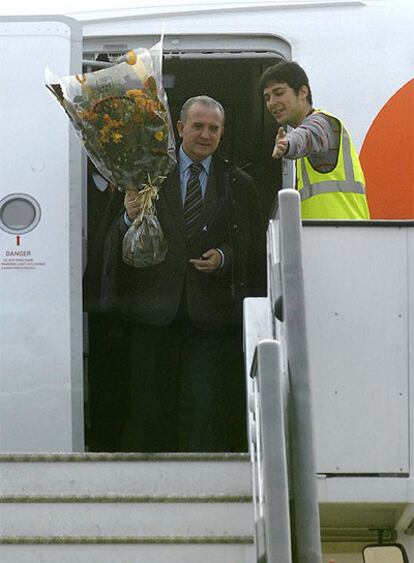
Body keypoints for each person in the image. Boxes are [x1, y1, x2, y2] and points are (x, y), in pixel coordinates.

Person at [99, 95, 266, 452]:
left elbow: (253, 248)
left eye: (214, 128)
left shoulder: (238, 182)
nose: (206, 135)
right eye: (198, 126)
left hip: (210, 317)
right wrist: (129, 216)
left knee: (203, 409)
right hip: (153, 313)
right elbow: (111, 241)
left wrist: (223, 256)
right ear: (179, 129)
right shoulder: (145, 176)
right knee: (147, 408)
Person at [260, 61, 370, 219]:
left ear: (303, 92)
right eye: (267, 97)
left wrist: (288, 144)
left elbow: (307, 135)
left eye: (279, 93)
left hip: (340, 237)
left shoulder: (324, 123)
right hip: (332, 237)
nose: (271, 103)